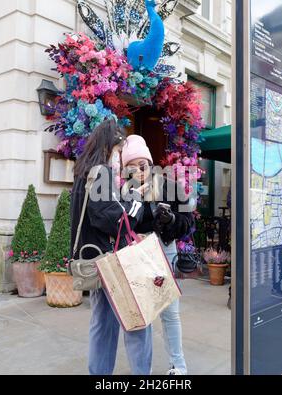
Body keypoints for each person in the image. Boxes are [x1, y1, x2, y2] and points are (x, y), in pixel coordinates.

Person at [70, 120, 152, 375]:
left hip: (96, 261)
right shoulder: (101, 173)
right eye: (118, 151)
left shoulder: (84, 173)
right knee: (138, 321)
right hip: (111, 263)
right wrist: (136, 198)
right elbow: (116, 220)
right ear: (109, 148)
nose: (119, 157)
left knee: (102, 323)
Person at [121, 135, 194, 375]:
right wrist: (135, 202)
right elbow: (121, 226)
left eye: (142, 166)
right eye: (131, 168)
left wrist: (171, 220)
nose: (138, 172)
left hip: (165, 250)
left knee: (170, 314)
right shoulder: (124, 193)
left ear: (151, 165)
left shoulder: (170, 186)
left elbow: (187, 222)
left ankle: (178, 366)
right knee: (144, 314)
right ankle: (143, 370)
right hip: (138, 255)